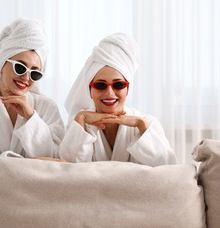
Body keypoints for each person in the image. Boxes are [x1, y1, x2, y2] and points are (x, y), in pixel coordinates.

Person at [59, 33, 177, 166]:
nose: (109, 92)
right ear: (90, 91)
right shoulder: (80, 126)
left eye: (119, 84)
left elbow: (169, 166)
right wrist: (81, 117)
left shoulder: (147, 124)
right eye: (100, 85)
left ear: (127, 89)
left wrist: (141, 125)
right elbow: (67, 171)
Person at [0, 18, 65, 158]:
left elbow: (54, 157)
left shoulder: (48, 108)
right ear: (1, 65)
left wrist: (31, 117)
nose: (26, 77)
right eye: (20, 67)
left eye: (35, 73)